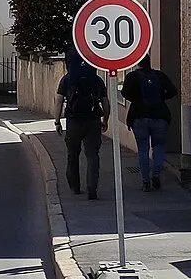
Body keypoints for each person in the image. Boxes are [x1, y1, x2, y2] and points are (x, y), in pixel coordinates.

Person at [120, 55, 179, 191]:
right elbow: (173, 91)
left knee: (143, 149)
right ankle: (156, 174)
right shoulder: (159, 75)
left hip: (139, 116)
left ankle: (145, 181)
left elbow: (125, 93)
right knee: (159, 147)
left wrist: (137, 99)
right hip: (160, 116)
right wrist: (160, 97)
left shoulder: (132, 77)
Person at [55, 53, 109, 200]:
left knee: (73, 154)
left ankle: (75, 186)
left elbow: (59, 101)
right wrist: (105, 119)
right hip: (93, 121)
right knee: (92, 155)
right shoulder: (96, 79)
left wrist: (57, 121)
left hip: (74, 121)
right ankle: (92, 188)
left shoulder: (67, 79)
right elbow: (105, 101)